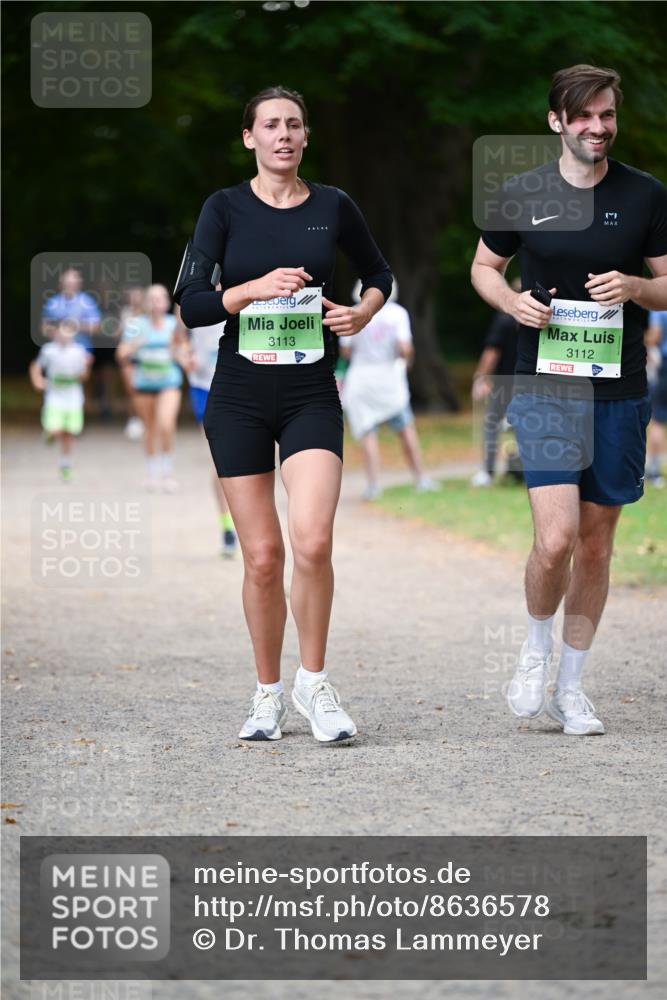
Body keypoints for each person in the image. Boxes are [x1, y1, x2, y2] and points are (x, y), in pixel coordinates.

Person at [175, 85, 392, 743]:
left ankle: (314, 684)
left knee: (314, 541)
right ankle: (266, 693)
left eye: (293, 125)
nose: (283, 135)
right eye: (270, 125)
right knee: (263, 557)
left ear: (304, 137)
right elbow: (191, 302)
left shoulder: (332, 206)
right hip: (239, 395)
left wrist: (363, 310)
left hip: (309, 394)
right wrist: (247, 291)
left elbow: (379, 272)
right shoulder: (224, 208)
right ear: (250, 137)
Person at [471, 64, 667, 735]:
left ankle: (572, 686)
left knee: (594, 542)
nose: (597, 126)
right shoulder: (521, 193)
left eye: (606, 114)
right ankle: (534, 648)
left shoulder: (644, 195)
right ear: (556, 121)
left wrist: (637, 289)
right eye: (583, 115)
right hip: (544, 385)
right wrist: (511, 301)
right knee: (552, 541)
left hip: (617, 391)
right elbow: (482, 267)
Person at [340, 281, 437, 500]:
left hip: (362, 377)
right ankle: (421, 477)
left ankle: (373, 484)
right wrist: (406, 361)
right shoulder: (397, 314)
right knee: (405, 428)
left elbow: (346, 351)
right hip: (389, 378)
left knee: (367, 432)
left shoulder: (353, 312)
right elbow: (404, 349)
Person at [180, 314, 239, 556]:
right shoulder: (194, 290)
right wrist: (185, 356)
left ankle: (249, 524)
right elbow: (179, 338)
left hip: (241, 382)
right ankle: (227, 527)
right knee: (221, 459)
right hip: (204, 385)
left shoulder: (250, 284)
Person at [116, 284, 184, 492]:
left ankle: (168, 470)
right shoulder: (136, 325)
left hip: (169, 382)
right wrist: (136, 344)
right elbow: (121, 354)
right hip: (143, 384)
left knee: (166, 424)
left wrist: (181, 354)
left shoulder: (174, 325)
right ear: (146, 302)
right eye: (152, 298)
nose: (156, 301)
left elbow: (183, 351)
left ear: (166, 301)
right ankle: (152, 472)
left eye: (161, 297)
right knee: (150, 428)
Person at [470, 279, 521, 487]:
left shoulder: (504, 320)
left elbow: (491, 354)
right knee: (528, 429)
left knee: (491, 427)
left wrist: (480, 378)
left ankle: (488, 472)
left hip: (504, 385)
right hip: (531, 384)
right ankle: (523, 471)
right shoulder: (540, 321)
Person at [29, 318, 93, 480]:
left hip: (73, 397)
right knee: (55, 428)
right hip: (55, 396)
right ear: (55, 332)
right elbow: (36, 367)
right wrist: (38, 381)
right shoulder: (49, 350)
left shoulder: (79, 351)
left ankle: (66, 463)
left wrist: (87, 366)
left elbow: (84, 377)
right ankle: (50, 434)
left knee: (69, 433)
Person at [118, 286, 147, 441]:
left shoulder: (149, 315)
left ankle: (145, 419)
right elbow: (122, 335)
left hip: (144, 358)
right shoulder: (125, 313)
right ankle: (134, 419)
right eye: (132, 296)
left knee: (144, 390)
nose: (135, 299)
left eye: (138, 296)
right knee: (131, 390)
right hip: (129, 357)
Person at [645, 310, 667, 486]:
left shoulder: (658, 307)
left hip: (663, 367)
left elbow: (654, 335)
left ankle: (653, 471)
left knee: (657, 420)